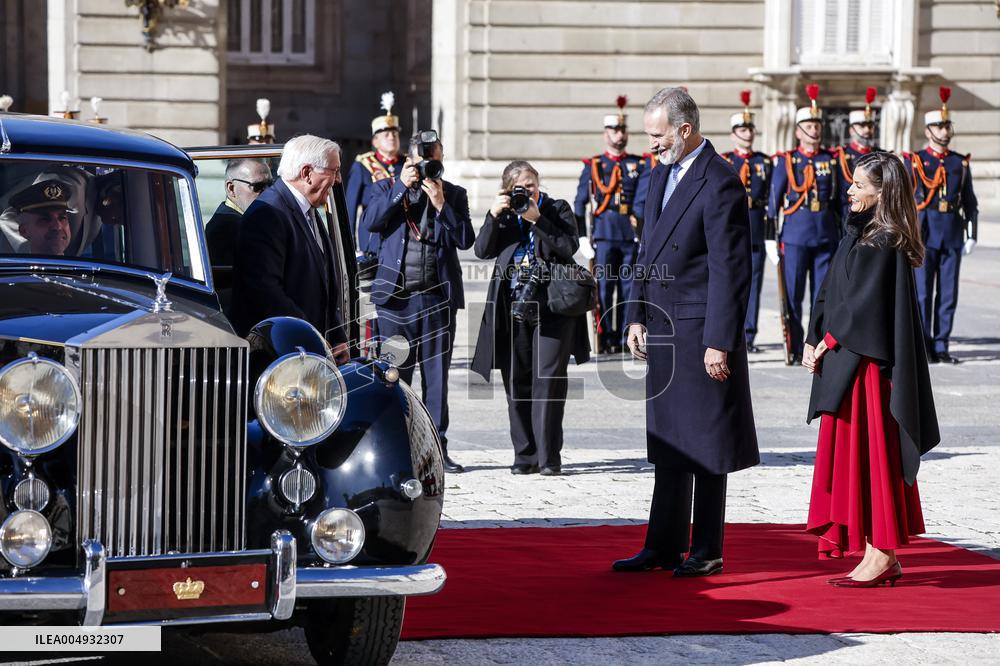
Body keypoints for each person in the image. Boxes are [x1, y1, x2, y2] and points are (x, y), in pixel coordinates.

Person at [615, 88, 758, 576]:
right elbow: (645, 251)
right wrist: (634, 313)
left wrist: (721, 339)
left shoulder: (720, 182)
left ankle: (707, 548)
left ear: (684, 130)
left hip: (700, 331)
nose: (650, 144)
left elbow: (731, 269)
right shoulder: (659, 176)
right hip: (661, 325)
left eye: (657, 135)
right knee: (670, 442)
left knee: (707, 442)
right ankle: (662, 544)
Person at [803, 151, 940, 587]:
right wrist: (812, 337)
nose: (850, 190)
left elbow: (863, 307)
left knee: (870, 458)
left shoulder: (885, 241)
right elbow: (830, 290)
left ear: (882, 193)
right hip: (845, 360)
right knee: (852, 459)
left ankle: (882, 552)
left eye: (860, 185)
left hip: (866, 369)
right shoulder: (858, 232)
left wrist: (827, 342)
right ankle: (872, 550)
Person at [361, 130, 474, 474]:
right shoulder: (385, 188)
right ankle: (396, 450)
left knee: (436, 379)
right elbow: (370, 224)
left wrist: (441, 204)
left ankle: (436, 450)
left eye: (434, 159)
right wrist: (400, 188)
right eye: (421, 160)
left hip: (437, 300)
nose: (428, 166)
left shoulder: (454, 194)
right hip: (395, 302)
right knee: (395, 377)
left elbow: (466, 239)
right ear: (408, 160)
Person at [470, 160, 590, 477]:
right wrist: (494, 214)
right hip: (513, 307)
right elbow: (482, 250)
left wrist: (537, 220)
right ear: (509, 190)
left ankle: (549, 457)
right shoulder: (506, 215)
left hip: (552, 307)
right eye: (520, 188)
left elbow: (568, 246)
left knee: (548, 381)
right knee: (516, 382)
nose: (528, 192)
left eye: (532, 185)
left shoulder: (557, 208)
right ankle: (525, 454)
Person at [229, 135, 349, 363]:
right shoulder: (267, 214)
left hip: (308, 353)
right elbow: (266, 292)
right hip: (280, 358)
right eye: (334, 171)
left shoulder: (309, 211)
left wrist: (337, 338)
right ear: (307, 173)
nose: (338, 179)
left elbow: (323, 288)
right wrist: (312, 337)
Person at [768, 84, 843, 365]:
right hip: (796, 237)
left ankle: (818, 343)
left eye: (817, 125)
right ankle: (795, 345)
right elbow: (773, 204)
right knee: (794, 296)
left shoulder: (831, 160)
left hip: (825, 237)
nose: (814, 130)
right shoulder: (788, 161)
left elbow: (839, 202)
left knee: (822, 297)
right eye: (808, 125)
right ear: (798, 131)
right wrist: (769, 239)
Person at [905, 86, 978, 365]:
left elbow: (970, 202)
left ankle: (942, 344)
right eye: (939, 126)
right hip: (924, 232)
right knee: (923, 294)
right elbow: (907, 201)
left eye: (947, 126)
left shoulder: (959, 163)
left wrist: (971, 233)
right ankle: (923, 345)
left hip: (951, 232)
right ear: (928, 131)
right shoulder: (916, 162)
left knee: (948, 294)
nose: (945, 131)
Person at [573, 95, 650, 354]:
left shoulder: (639, 164)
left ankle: (626, 337)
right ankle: (605, 338)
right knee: (604, 289)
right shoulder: (595, 164)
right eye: (614, 130)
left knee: (629, 289)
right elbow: (579, 203)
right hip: (604, 236)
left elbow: (642, 199)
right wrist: (582, 238)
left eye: (622, 129)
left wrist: (640, 228)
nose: (619, 134)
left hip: (630, 235)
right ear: (606, 134)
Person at [720, 90, 773, 353]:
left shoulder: (765, 162)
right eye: (742, 129)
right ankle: (732, 331)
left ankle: (749, 335)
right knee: (731, 283)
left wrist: (772, 234)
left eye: (750, 128)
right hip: (732, 230)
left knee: (754, 284)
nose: (748, 133)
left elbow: (773, 200)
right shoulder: (725, 162)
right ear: (733, 134)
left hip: (756, 228)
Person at [347, 92, 404, 256]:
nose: (392, 137)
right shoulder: (363, 165)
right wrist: (349, 245)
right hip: (373, 238)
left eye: (395, 134)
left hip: (401, 236)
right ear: (375, 141)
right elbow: (351, 207)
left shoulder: (406, 164)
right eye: (386, 134)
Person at [206, 158, 274, 267]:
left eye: (270, 185)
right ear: (231, 188)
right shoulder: (228, 228)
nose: (268, 193)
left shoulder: (245, 222)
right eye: (258, 186)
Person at [834, 87, 881, 221]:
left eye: (870, 126)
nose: (867, 130)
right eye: (862, 126)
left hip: (874, 215)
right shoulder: (840, 156)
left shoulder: (880, 155)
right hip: (847, 214)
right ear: (851, 130)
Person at [8, 179, 75, 255]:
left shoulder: (87, 265)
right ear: (24, 231)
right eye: (45, 219)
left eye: (62, 218)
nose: (57, 226)